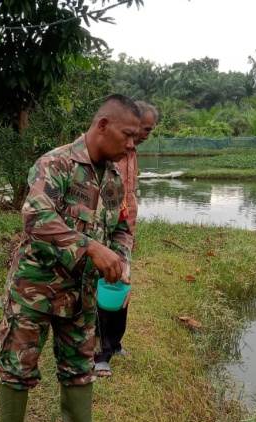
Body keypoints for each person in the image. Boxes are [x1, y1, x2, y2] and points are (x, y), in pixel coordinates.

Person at [0, 95, 140, 422]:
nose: (130, 147)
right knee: (18, 360)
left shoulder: (112, 179)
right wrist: (91, 248)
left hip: (83, 291)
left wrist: (120, 258)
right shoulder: (54, 163)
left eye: (136, 141)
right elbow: (36, 218)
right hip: (36, 287)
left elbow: (122, 226)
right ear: (103, 125)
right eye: (127, 136)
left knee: (79, 361)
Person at [94, 101, 159, 378]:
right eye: (140, 130)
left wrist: (125, 238)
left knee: (123, 287)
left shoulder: (131, 152)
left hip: (123, 231)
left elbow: (127, 197)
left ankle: (114, 343)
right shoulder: (109, 152)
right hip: (100, 233)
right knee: (102, 290)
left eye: (145, 132)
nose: (140, 138)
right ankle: (99, 353)